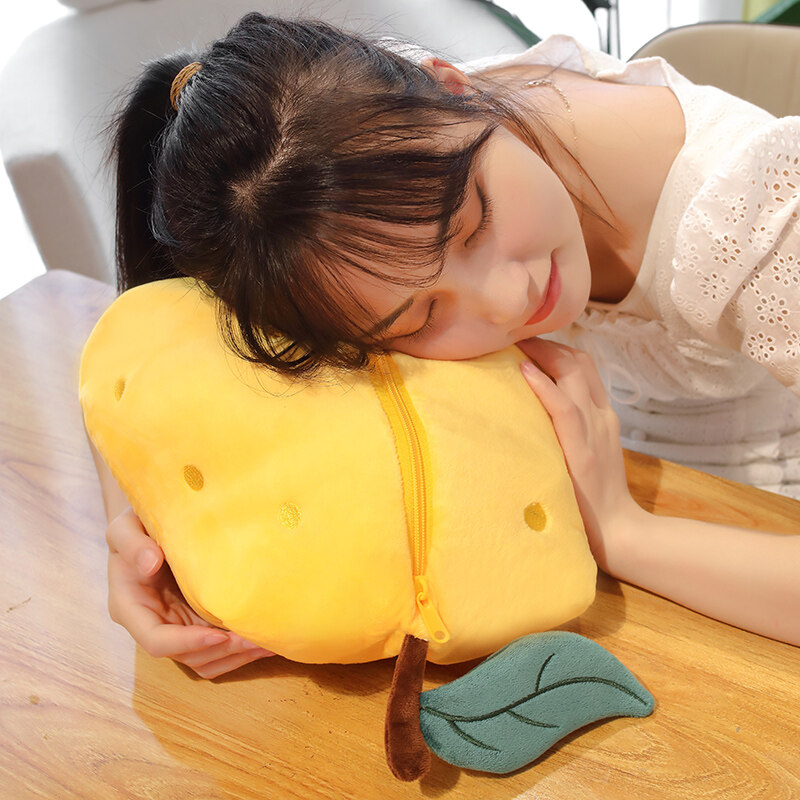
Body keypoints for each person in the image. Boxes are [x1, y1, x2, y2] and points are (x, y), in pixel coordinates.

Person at [95, 12, 800, 678]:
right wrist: (138, 534)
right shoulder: (372, 166)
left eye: (473, 225)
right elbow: (157, 354)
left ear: (455, 86)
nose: (508, 299)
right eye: (421, 317)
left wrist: (623, 531)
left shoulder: (760, 220)